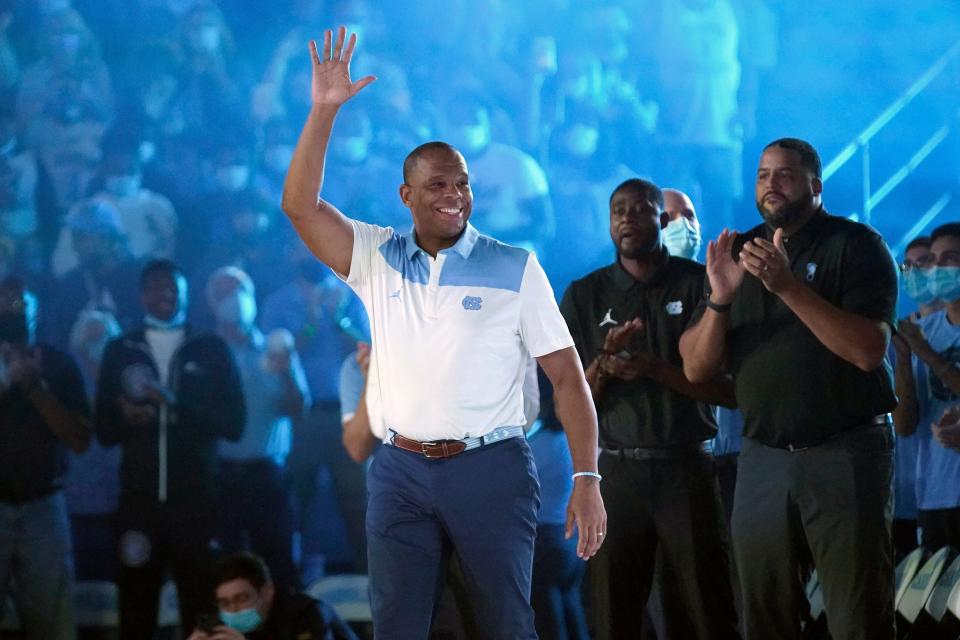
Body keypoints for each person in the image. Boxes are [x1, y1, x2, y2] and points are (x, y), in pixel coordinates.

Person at [280, 27, 605, 639]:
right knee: (399, 628)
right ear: (406, 196)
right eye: (438, 184)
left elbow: (567, 378)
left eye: (462, 183)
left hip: (492, 466)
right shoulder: (376, 257)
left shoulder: (515, 266)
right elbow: (300, 206)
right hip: (399, 469)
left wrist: (587, 479)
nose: (454, 195)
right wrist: (324, 112)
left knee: (507, 625)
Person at [679, 138, 899, 639]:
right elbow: (695, 367)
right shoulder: (740, 252)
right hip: (763, 457)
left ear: (815, 186)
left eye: (784, 175)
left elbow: (868, 351)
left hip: (844, 450)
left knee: (856, 613)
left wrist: (787, 287)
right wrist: (718, 299)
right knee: (763, 611)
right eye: (762, 175)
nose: (770, 185)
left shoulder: (856, 245)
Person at [560, 178, 738, 639]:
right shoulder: (585, 294)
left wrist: (657, 370)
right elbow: (568, 401)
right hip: (615, 472)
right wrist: (604, 362)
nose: (626, 219)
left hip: (687, 467)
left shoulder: (699, 284)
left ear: (662, 219)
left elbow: (731, 391)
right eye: (617, 210)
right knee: (614, 612)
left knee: (708, 607)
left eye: (639, 210)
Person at [95, 259, 246, 639]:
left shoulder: (210, 348)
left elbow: (234, 425)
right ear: (141, 294)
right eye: (156, 288)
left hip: (195, 506)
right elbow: (103, 430)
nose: (164, 296)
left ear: (184, 293)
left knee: (200, 611)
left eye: (172, 289)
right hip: (138, 507)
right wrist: (123, 417)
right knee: (136, 611)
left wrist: (174, 403)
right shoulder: (121, 349)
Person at [0, 276, 91, 640]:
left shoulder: (57, 363)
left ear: (36, 311)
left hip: (43, 508)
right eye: (3, 303)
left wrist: (35, 388)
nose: (11, 310)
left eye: (20, 304)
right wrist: (8, 382)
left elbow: (81, 439)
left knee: (51, 622)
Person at [207, 266, 308, 590]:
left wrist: (286, 372)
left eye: (240, 291)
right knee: (229, 572)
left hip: (269, 476)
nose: (234, 300)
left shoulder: (276, 348)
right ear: (212, 304)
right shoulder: (205, 355)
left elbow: (298, 409)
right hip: (222, 477)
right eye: (224, 293)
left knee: (280, 566)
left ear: (252, 297)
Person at [892, 223, 960, 553]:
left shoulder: (923, 341)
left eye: (949, 259)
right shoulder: (921, 330)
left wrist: (927, 354)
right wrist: (904, 362)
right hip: (934, 492)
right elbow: (905, 426)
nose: (937, 269)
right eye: (934, 260)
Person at [889, 236, 941, 558]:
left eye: (925, 263)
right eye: (908, 266)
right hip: (910, 492)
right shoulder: (896, 337)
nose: (915, 272)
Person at [186, 551, 357, 640]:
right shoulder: (219, 626)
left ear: (267, 592)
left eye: (242, 599)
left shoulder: (306, 614)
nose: (234, 610)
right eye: (225, 603)